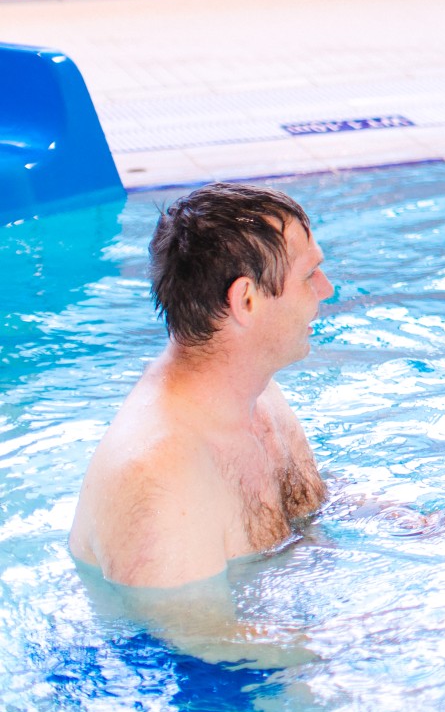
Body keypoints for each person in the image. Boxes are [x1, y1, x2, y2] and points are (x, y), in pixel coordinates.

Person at [69, 183, 331, 590]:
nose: (326, 290)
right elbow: (198, 647)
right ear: (246, 300)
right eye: (310, 275)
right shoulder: (159, 476)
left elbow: (304, 511)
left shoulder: (257, 393)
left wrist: (387, 513)